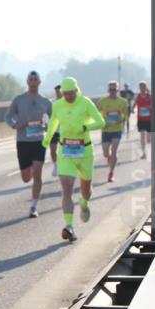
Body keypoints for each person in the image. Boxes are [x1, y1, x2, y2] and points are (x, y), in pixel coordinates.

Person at [41, 76, 104, 242]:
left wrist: (84, 127)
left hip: (84, 151)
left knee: (86, 188)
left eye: (71, 93)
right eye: (65, 94)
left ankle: (84, 203)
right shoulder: (57, 105)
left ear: (76, 90)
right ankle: (69, 226)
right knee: (66, 187)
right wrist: (47, 139)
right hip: (66, 151)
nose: (68, 96)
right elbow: (54, 122)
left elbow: (101, 122)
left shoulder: (86, 103)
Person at [6, 71, 53, 217]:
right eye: (30, 79)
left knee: (38, 173)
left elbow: (52, 118)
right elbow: (8, 116)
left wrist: (47, 126)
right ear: (27, 82)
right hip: (23, 141)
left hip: (39, 140)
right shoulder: (19, 99)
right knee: (26, 178)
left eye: (35, 79)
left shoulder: (46, 102)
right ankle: (30, 169)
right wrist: (16, 125)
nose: (33, 81)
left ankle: (33, 205)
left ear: (39, 82)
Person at [96, 80, 128, 183]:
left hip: (116, 130)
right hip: (105, 130)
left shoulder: (123, 102)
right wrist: (102, 119)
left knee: (114, 151)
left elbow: (125, 115)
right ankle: (111, 160)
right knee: (106, 153)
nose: (112, 91)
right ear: (108, 90)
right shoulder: (102, 101)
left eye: (114, 89)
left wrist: (121, 119)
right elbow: (96, 113)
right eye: (110, 89)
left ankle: (111, 173)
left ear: (117, 90)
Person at [135, 81, 152, 159]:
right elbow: (135, 104)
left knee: (148, 139)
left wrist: (149, 107)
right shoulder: (138, 96)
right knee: (142, 136)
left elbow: (154, 104)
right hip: (141, 119)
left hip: (149, 119)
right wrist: (132, 109)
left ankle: (151, 149)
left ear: (145, 87)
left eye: (143, 87)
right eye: (140, 87)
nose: (142, 88)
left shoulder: (149, 96)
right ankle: (144, 153)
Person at [49, 84, 63, 176]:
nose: (58, 93)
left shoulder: (68, 102)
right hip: (54, 130)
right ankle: (56, 165)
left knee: (65, 151)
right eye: (57, 92)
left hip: (66, 130)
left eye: (60, 91)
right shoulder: (51, 103)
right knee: (53, 150)